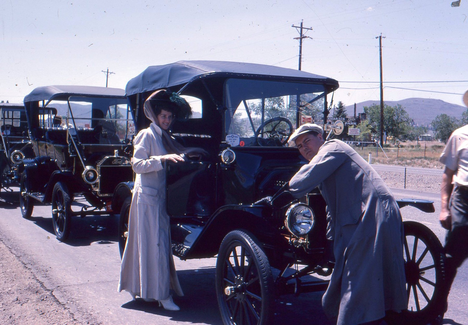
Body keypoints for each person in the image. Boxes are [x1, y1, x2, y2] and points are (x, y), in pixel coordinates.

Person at [287, 123, 407, 325]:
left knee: (356, 285)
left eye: (307, 141)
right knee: (354, 281)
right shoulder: (327, 160)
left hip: (372, 213)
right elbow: (331, 205)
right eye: (299, 146)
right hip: (361, 216)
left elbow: (296, 184)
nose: (304, 148)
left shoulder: (333, 149)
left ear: (320, 136)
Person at [118, 89, 204, 311]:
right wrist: (161, 158)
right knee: (154, 245)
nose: (166, 120)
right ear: (155, 116)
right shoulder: (147, 135)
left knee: (155, 245)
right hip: (147, 198)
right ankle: (162, 296)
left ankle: (148, 291)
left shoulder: (164, 136)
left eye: (169, 117)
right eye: (163, 116)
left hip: (158, 198)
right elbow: (137, 165)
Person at [438, 90, 468, 321]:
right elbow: (448, 174)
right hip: (464, 199)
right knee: (452, 256)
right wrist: (444, 207)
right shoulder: (459, 135)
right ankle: (438, 305)